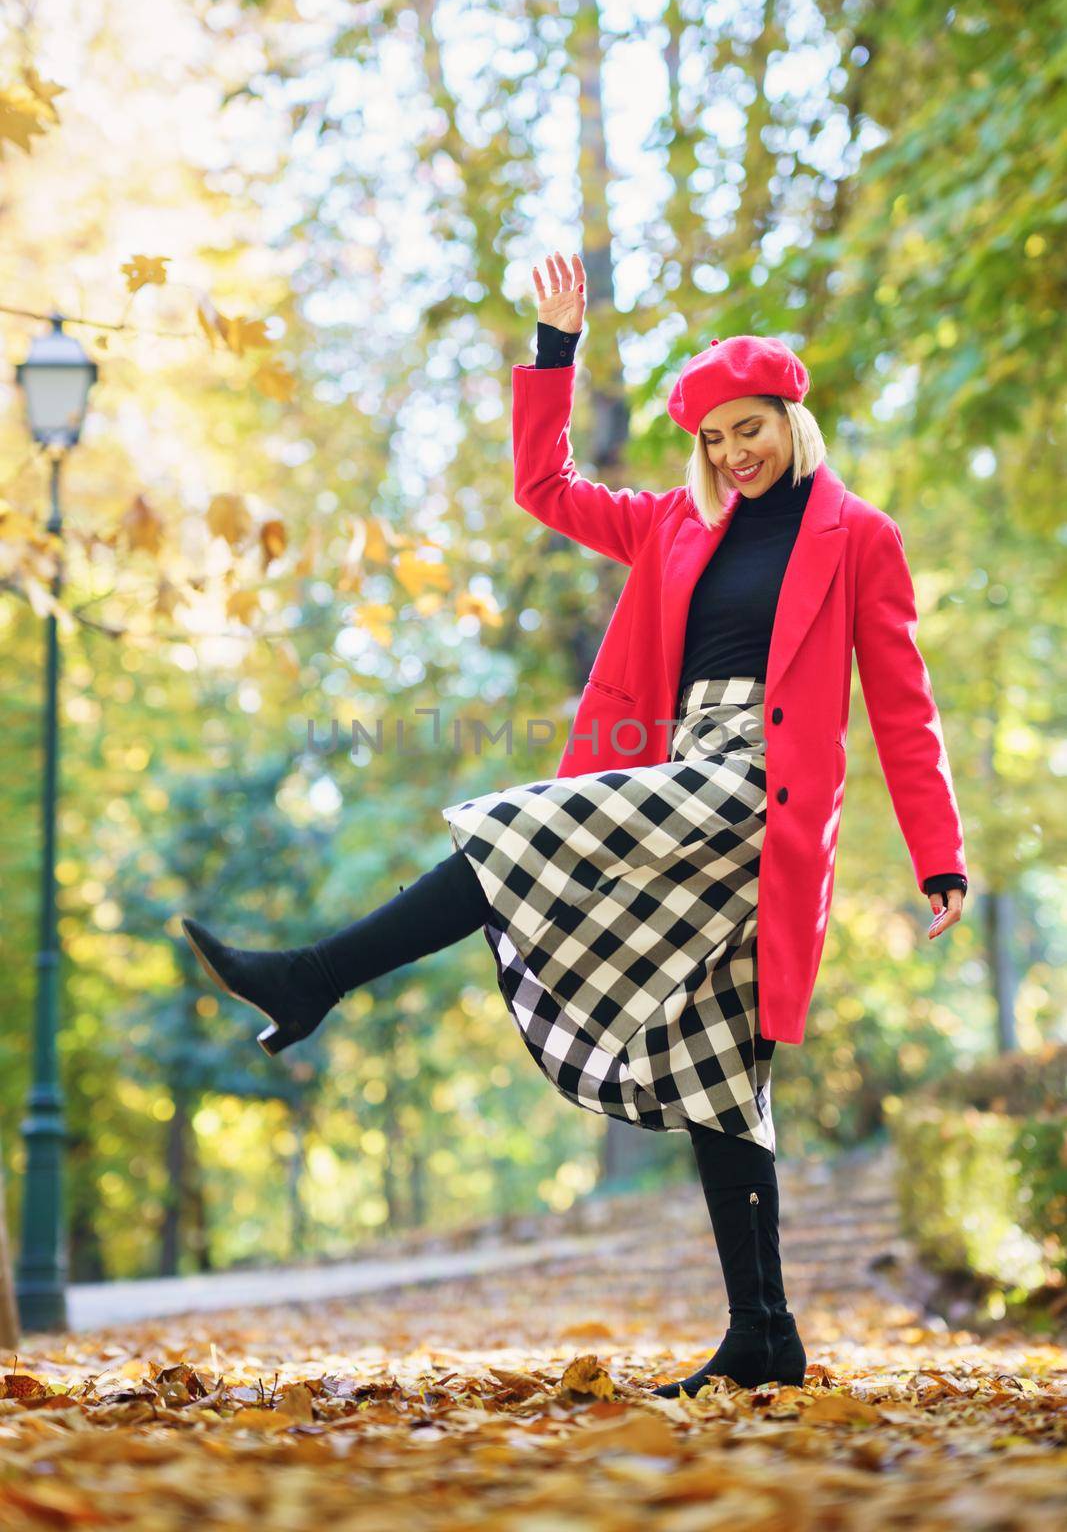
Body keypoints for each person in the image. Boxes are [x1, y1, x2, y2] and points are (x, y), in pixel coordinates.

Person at [181, 250, 968, 1399]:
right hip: (683, 766)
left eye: (745, 430)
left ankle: (313, 975)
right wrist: (556, 351)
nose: (728, 455)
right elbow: (543, 489)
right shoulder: (672, 525)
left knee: (514, 827)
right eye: (709, 439)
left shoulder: (860, 538)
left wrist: (936, 854)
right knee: (716, 1063)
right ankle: (764, 1333)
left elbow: (902, 706)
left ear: (789, 420)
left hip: (757, 792)